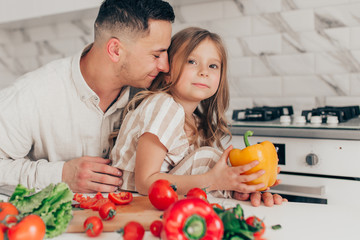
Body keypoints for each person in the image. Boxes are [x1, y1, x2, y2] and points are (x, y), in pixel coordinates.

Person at [0, 0, 175, 193]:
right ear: (116, 50)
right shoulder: (32, 94)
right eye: (156, 55)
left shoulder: (152, 94)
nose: (165, 67)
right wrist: (61, 175)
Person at [110, 27, 286, 206]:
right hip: (133, 201)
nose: (204, 71)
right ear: (168, 72)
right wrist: (213, 180)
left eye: (213, 65)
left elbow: (191, 184)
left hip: (161, 203)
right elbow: (144, 182)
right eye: (192, 61)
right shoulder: (163, 106)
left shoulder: (196, 123)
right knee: (208, 158)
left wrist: (233, 185)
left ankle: (245, 191)